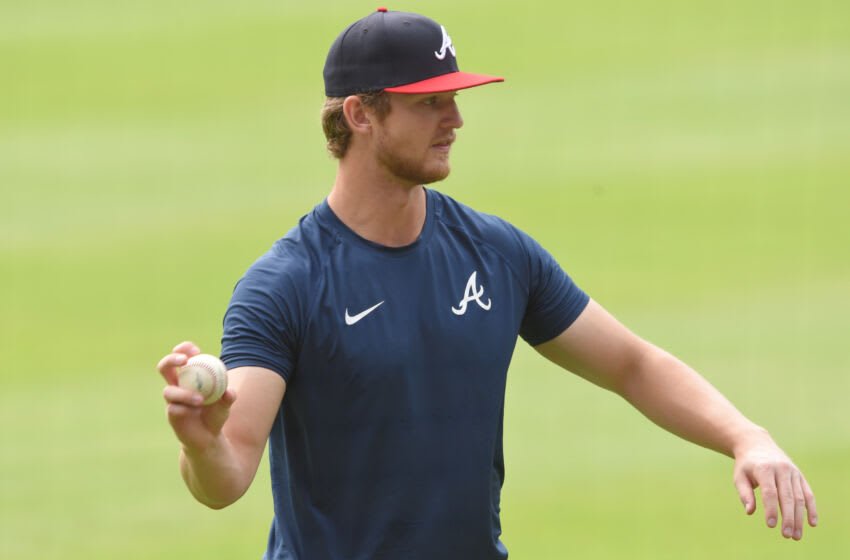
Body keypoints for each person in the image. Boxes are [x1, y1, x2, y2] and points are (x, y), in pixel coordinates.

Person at [157, 8, 817, 559]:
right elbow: (227, 477)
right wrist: (202, 445)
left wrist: (744, 435)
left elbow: (632, 365)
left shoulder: (496, 254)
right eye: (430, 102)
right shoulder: (284, 287)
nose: (456, 119)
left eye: (456, 98)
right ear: (360, 114)